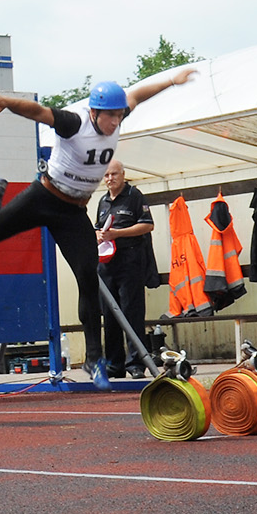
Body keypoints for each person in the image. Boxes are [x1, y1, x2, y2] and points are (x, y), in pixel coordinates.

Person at [0, 70, 195, 389]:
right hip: (44, 197)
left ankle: (94, 359)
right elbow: (38, 112)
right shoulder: (74, 123)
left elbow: (137, 95)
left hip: (74, 211)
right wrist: (9, 102)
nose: (115, 123)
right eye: (110, 117)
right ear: (94, 113)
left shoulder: (117, 115)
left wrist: (171, 82)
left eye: (120, 117)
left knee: (87, 278)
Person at [95, 160, 157, 378]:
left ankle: (136, 363)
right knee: (110, 314)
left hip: (130, 261)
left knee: (131, 312)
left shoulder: (134, 196)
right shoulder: (102, 201)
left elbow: (147, 225)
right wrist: (100, 235)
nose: (110, 179)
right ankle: (114, 364)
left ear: (123, 175)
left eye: (114, 174)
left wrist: (117, 234)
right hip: (106, 264)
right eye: (106, 175)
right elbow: (96, 228)